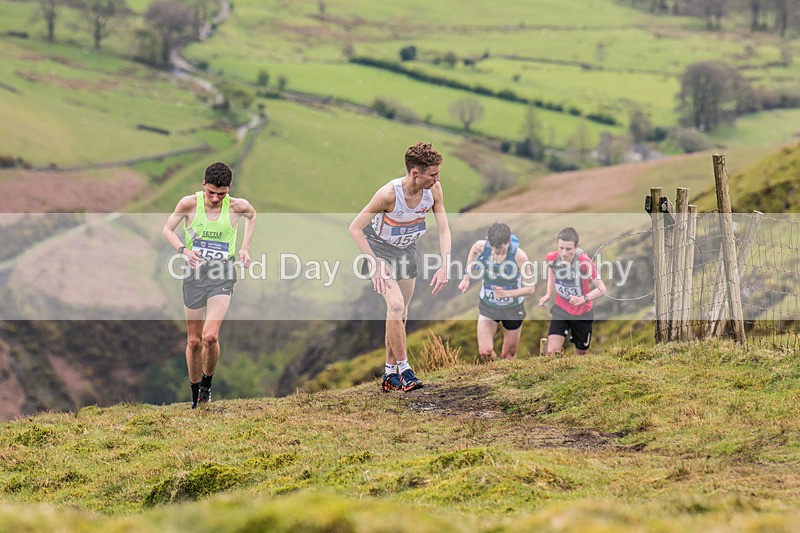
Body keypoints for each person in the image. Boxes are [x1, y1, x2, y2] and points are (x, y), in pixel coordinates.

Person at [349, 141, 451, 392]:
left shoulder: (434, 191)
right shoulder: (388, 195)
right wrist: (373, 263)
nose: (437, 179)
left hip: (407, 251)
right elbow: (355, 228)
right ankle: (405, 370)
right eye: (433, 174)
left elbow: (444, 228)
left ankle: (389, 372)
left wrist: (445, 265)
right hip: (380, 251)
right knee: (394, 305)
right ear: (416, 173)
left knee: (400, 312)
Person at [162, 162, 257, 408]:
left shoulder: (238, 206)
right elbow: (167, 230)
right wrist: (182, 250)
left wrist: (245, 247)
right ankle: (195, 396)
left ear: (229, 189)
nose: (215, 198)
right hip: (194, 276)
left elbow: (252, 215)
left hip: (222, 274)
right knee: (194, 341)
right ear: (203, 184)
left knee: (210, 336)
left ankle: (206, 387)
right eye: (211, 192)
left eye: (222, 193)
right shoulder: (188, 204)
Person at [458, 222, 536, 361]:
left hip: (512, 309)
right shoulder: (483, 246)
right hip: (489, 305)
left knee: (508, 355)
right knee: (485, 352)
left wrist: (508, 294)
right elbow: (474, 250)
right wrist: (466, 276)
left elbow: (530, 288)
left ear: (508, 242)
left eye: (499, 248)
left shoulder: (519, 257)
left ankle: (506, 379)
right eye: (492, 246)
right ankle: (494, 375)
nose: (494, 251)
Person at [538, 227, 606, 355]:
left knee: (580, 355)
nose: (563, 253)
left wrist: (583, 299)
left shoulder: (585, 263)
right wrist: (548, 293)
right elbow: (551, 270)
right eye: (560, 248)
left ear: (576, 246)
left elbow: (602, 288)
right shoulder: (552, 258)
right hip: (561, 309)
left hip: (582, 312)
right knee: (552, 352)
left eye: (568, 249)